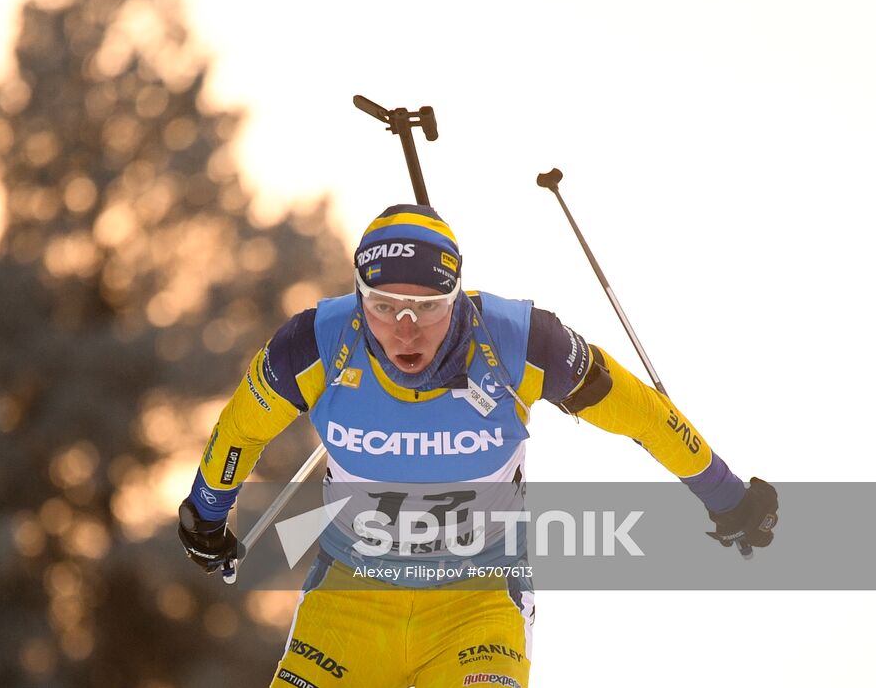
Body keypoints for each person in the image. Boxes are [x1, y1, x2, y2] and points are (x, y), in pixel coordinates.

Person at [177, 204, 778, 688]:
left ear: (458, 295)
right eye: (384, 307)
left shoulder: (520, 344)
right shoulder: (315, 343)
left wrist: (726, 496)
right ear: (359, 296)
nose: (404, 329)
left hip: (478, 605)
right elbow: (241, 428)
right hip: (349, 603)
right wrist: (205, 513)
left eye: (429, 308)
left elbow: (643, 414)